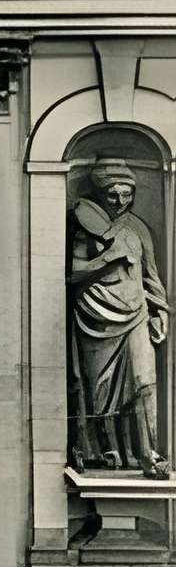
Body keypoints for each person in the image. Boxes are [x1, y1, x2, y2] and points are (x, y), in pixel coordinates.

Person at [68, 156, 169, 475]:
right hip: (95, 315)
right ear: (101, 193)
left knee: (144, 381)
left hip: (136, 312)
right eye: (114, 194)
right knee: (101, 391)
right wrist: (108, 259)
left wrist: (161, 310)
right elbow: (72, 274)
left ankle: (148, 453)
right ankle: (107, 452)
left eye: (127, 194)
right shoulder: (86, 225)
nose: (121, 201)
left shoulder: (138, 228)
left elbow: (151, 275)